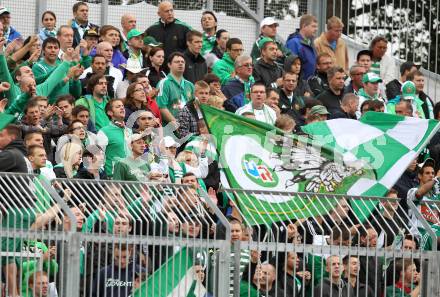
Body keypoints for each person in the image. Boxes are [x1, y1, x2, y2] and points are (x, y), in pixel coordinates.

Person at [32, 37, 82, 103]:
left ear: (59, 50)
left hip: (66, 108)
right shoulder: (38, 67)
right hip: (49, 109)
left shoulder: (64, 66)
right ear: (43, 50)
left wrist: (76, 79)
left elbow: (76, 94)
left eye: (56, 48)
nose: (53, 50)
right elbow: (44, 91)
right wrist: (63, 68)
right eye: (50, 47)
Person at [407, 158, 440, 250]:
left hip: (435, 232)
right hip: (419, 235)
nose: (431, 176)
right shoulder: (413, 191)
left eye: (433, 173)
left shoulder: (436, 197)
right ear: (420, 176)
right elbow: (419, 193)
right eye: (427, 173)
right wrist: (436, 179)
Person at [156, 52, 195, 126]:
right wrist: (176, 124)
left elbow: (193, 108)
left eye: (182, 62)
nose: (180, 64)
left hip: (189, 127)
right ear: (169, 65)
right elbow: (161, 107)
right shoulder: (164, 83)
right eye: (177, 62)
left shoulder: (190, 85)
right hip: (170, 130)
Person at [97, 99, 132, 177]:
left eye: (122, 106)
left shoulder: (129, 131)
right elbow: (98, 156)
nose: (122, 108)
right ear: (110, 112)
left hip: (130, 177)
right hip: (113, 177)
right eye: (118, 106)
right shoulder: (104, 131)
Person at [286, 14, 318, 79]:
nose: (316, 29)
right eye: (313, 26)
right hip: (298, 84)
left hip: (309, 84)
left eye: (316, 27)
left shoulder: (311, 43)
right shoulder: (294, 43)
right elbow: (291, 67)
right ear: (304, 26)